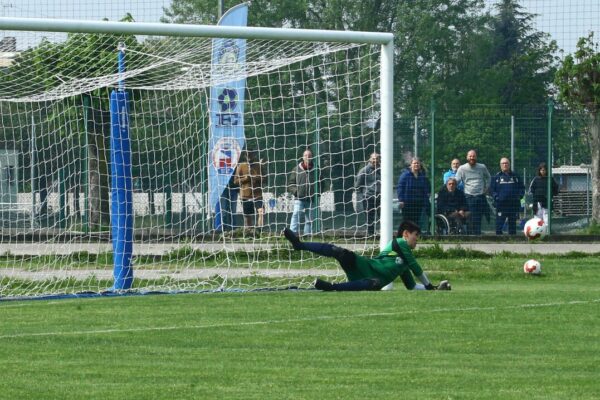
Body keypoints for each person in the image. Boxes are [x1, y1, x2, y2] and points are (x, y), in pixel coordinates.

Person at [282, 220, 451, 291]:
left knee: (374, 283)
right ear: (406, 234)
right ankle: (299, 244)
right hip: (365, 265)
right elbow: (416, 267)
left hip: (370, 278)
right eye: (416, 236)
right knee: (339, 252)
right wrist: (430, 287)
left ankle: (331, 287)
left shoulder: (404, 262)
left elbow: (412, 287)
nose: (417, 241)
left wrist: (434, 289)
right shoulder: (399, 243)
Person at [454, 149, 491, 235]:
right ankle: (470, 236)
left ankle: (478, 236)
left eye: (473, 156)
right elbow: (457, 180)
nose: (472, 158)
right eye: (470, 156)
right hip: (468, 197)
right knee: (470, 218)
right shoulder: (462, 168)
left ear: (476, 157)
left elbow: (488, 177)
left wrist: (487, 188)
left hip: (480, 197)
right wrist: (450, 184)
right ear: (467, 157)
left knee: (478, 218)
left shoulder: (482, 167)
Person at [288, 149, 320, 235]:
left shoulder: (316, 169)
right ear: (303, 157)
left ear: (312, 157)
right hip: (299, 198)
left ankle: (307, 235)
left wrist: (318, 193)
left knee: (310, 219)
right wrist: (296, 192)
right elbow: (291, 184)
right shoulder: (296, 169)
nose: (307, 157)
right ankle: (292, 233)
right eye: (306, 155)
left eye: (309, 156)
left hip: (311, 198)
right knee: (296, 215)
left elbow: (321, 182)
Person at [490, 158, 525, 235]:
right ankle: (498, 241)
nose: (505, 165)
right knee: (499, 225)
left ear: (509, 164)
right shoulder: (496, 177)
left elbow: (522, 188)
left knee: (512, 226)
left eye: (506, 163)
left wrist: (519, 196)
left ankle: (512, 242)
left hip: (513, 205)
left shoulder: (516, 176)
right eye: (503, 163)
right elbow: (492, 190)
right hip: (501, 205)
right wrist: (496, 197)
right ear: (500, 165)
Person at [234, 150, 264, 233]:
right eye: (248, 155)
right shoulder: (241, 166)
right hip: (245, 195)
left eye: (251, 155)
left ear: (254, 156)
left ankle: (259, 230)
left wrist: (256, 178)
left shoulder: (259, 166)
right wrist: (245, 178)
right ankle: (249, 232)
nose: (249, 157)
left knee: (261, 211)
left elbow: (265, 178)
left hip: (257, 194)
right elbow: (235, 181)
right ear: (245, 157)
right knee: (248, 216)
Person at [397, 158, 431, 230]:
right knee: (407, 221)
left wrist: (427, 195)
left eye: (418, 163)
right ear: (411, 165)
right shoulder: (405, 175)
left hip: (419, 203)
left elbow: (427, 187)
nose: (416, 165)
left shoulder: (422, 176)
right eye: (414, 163)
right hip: (407, 203)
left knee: (416, 221)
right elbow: (400, 187)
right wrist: (401, 200)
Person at [354, 152, 381, 235]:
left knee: (382, 217)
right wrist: (364, 192)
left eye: (377, 159)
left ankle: (383, 233)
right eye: (373, 159)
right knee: (370, 217)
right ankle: (371, 234)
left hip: (381, 198)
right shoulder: (364, 170)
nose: (375, 160)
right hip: (368, 197)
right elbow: (357, 184)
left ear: (379, 160)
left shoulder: (383, 170)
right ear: (370, 159)